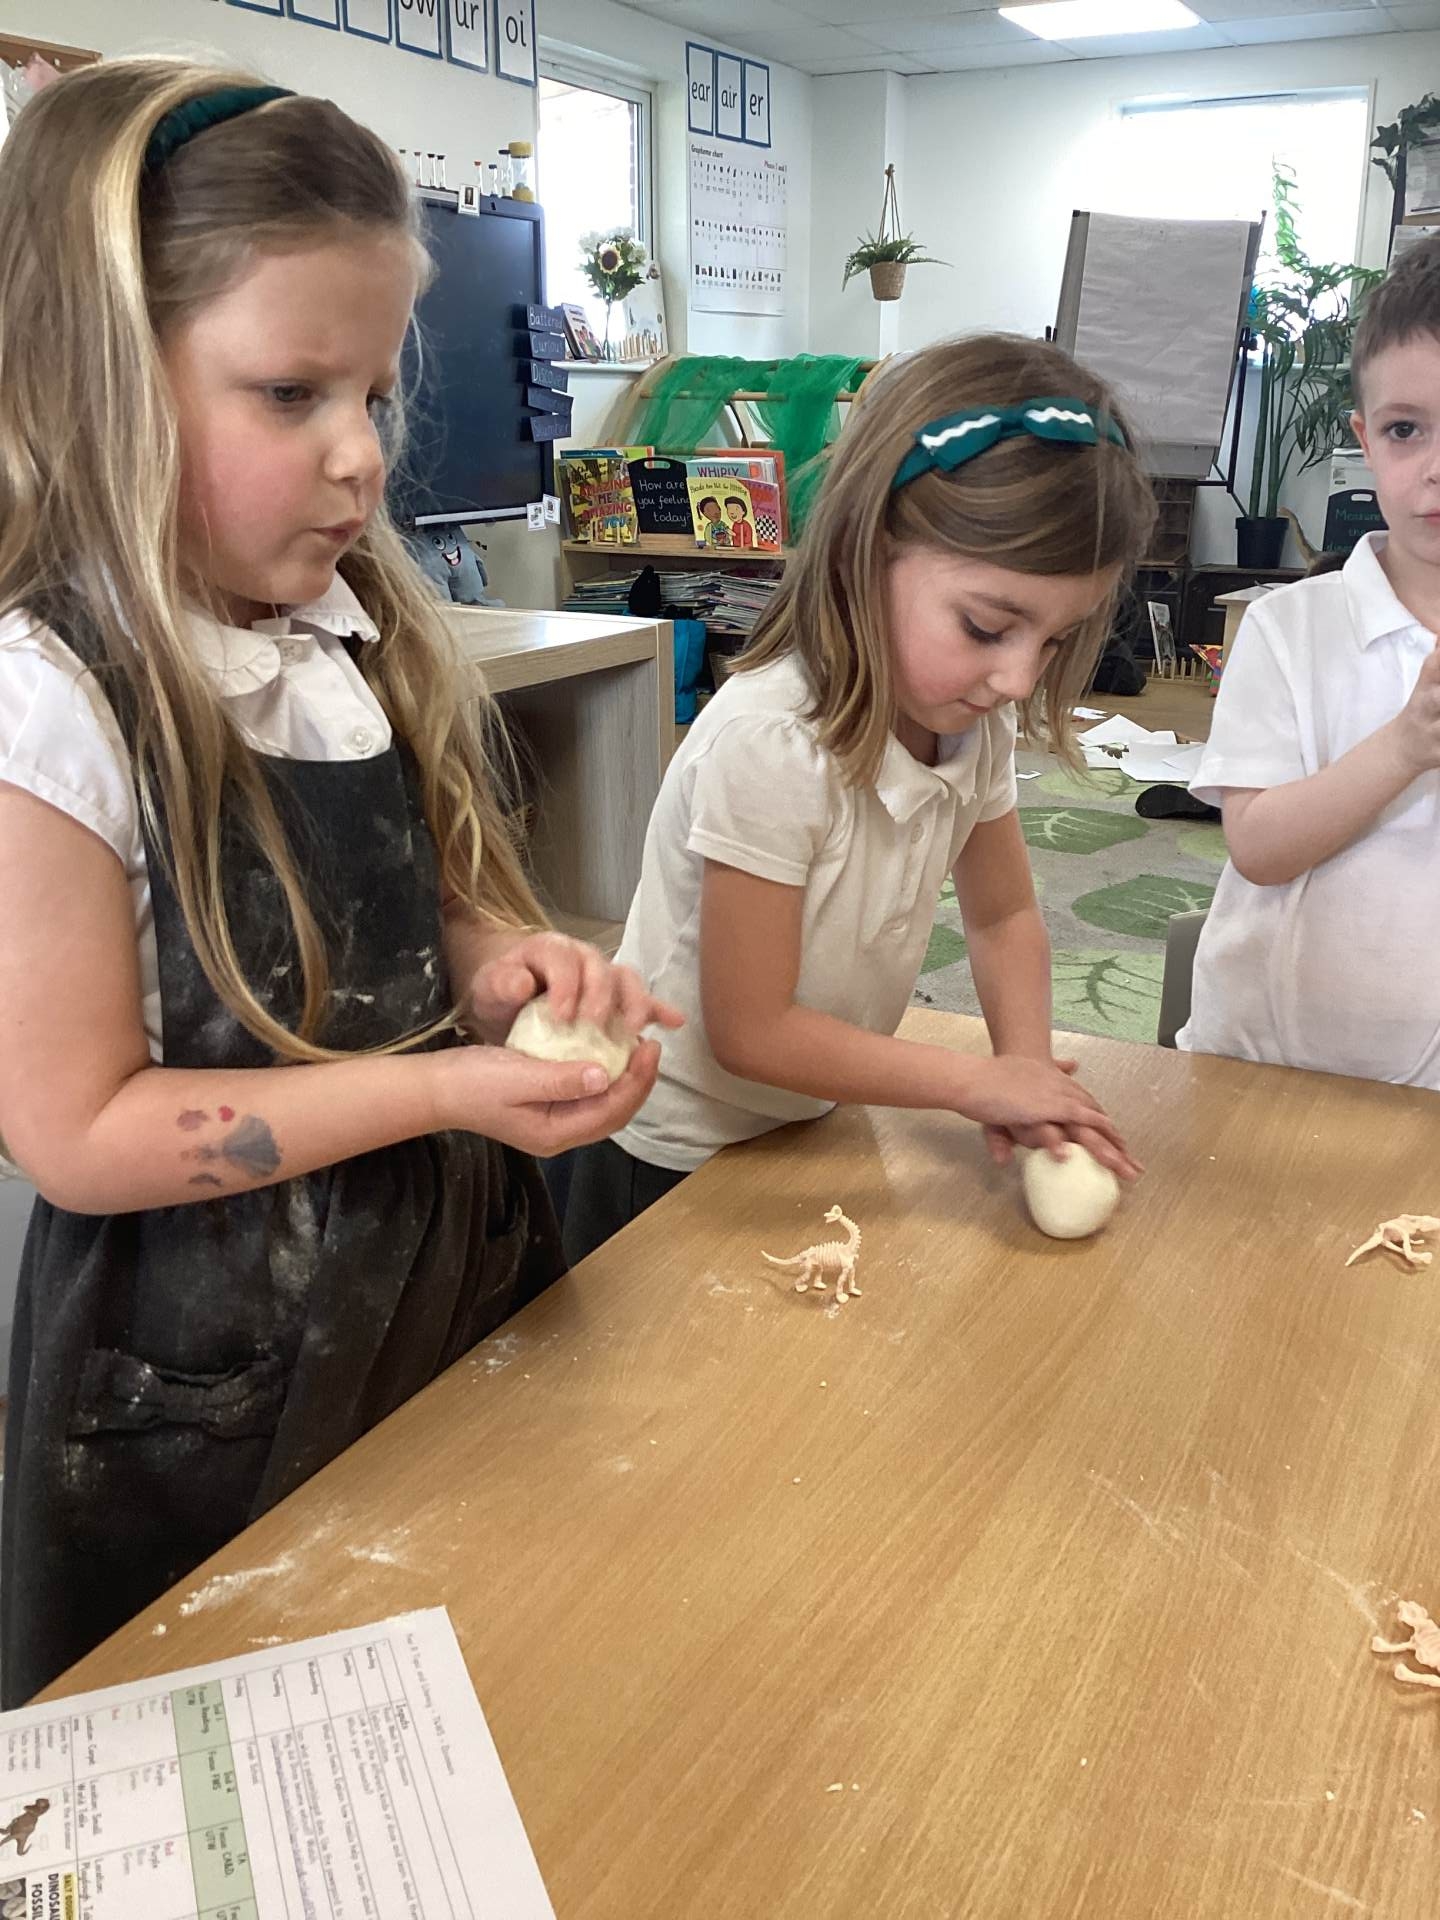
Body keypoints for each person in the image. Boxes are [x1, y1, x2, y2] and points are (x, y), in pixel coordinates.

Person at [0, 59, 677, 1704]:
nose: (363, 458)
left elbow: (394, 899)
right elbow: (80, 1132)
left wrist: (498, 960)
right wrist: (440, 1089)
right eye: (292, 394)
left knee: (484, 1658)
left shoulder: (336, 629)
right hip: (206, 1379)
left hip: (435, 1276)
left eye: (373, 393)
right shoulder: (51, 705)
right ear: (100, 376)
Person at [560, 337, 1157, 1263]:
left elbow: (1002, 919)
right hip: (672, 1147)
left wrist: (1026, 1067)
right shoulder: (773, 747)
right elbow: (751, 1030)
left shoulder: (973, 723)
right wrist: (970, 1082)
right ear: (867, 551)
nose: (1017, 678)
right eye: (987, 626)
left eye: (1053, 639)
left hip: (811, 1113)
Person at [1179, 235, 1440, 1087]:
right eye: (1406, 430)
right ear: (1366, 438)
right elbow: (1257, 846)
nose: (1436, 469)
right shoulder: (1286, 629)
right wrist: (1406, 745)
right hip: (1266, 1061)